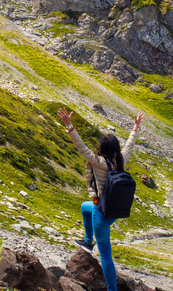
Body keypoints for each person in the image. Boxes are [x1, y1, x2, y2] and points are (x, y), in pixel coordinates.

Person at [57, 107, 145, 291]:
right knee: (83, 206)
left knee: (105, 255)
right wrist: (135, 128)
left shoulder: (98, 161)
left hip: (101, 213)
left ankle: (111, 289)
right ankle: (88, 241)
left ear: (103, 147)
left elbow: (80, 146)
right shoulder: (121, 159)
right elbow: (130, 144)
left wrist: (69, 125)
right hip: (112, 211)